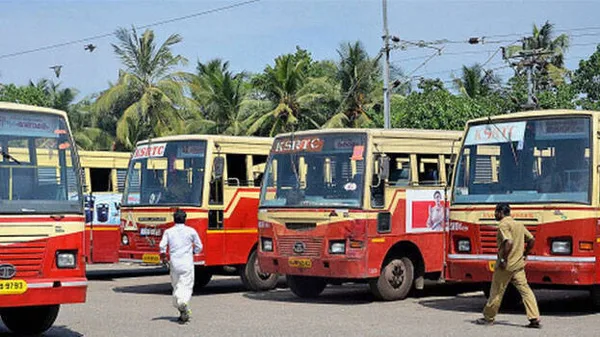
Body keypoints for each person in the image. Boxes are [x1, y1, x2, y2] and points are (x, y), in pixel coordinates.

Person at [476, 203, 541, 328]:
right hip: (518, 265)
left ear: (500, 212)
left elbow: (509, 241)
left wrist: (503, 259)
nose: (494, 214)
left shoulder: (503, 225)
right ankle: (534, 318)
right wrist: (525, 253)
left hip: (505, 266)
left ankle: (488, 317)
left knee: (496, 291)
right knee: (525, 291)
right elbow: (531, 240)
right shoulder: (519, 224)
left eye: (496, 212)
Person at [159, 208, 203, 324]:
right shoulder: (191, 231)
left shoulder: (169, 232)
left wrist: (163, 258)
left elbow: (162, 246)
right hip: (187, 262)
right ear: (185, 219)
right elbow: (199, 246)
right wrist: (193, 252)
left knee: (176, 285)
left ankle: (181, 308)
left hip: (174, 263)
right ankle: (182, 304)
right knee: (186, 285)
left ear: (174, 219)